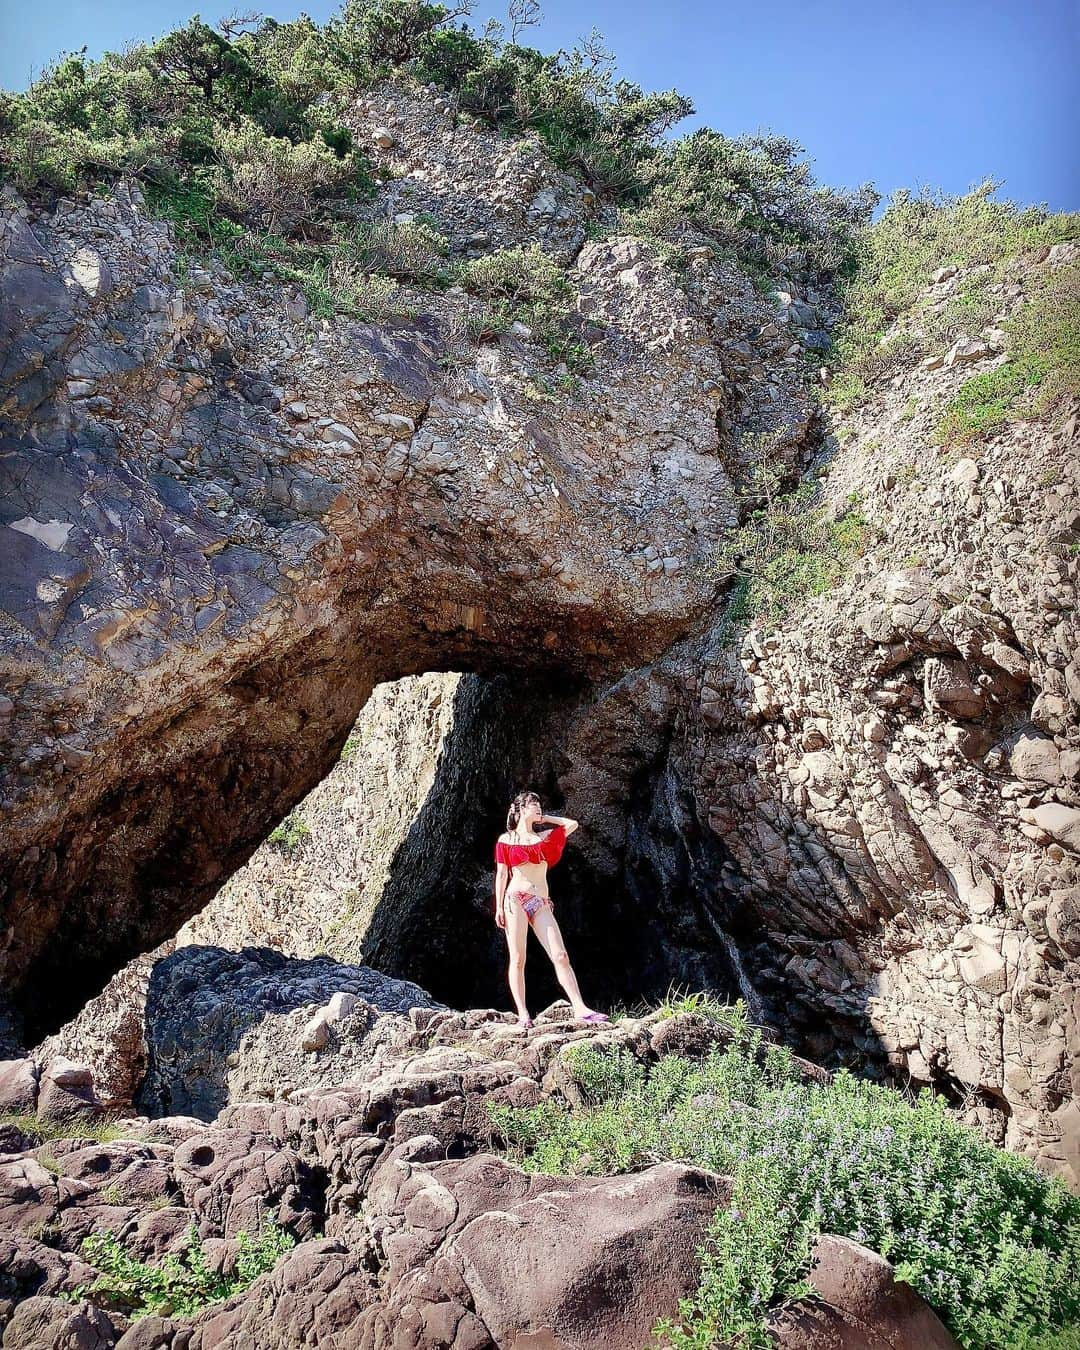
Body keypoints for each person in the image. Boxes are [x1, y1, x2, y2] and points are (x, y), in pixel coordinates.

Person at [494, 790, 609, 1030]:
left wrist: (545, 818)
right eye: (533, 804)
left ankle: (580, 1008)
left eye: (539, 804)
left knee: (560, 955)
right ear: (521, 809)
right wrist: (498, 908)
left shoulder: (545, 836)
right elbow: (502, 874)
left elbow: (572, 824)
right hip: (515, 899)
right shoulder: (506, 839)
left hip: (541, 900)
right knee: (518, 959)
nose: (538, 807)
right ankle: (523, 1014)